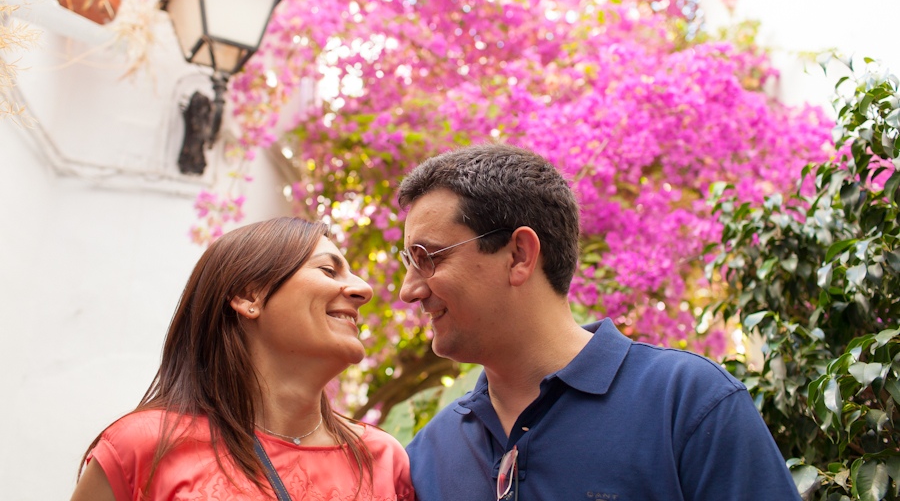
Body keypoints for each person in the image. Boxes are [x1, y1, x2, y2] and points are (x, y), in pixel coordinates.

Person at [397, 144, 800, 500]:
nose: (408, 290)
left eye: (429, 257)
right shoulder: (428, 454)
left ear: (519, 255)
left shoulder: (687, 403)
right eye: (408, 263)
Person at [70, 217, 415, 501]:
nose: (363, 290)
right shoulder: (142, 447)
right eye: (328, 270)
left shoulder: (382, 459)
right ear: (250, 296)